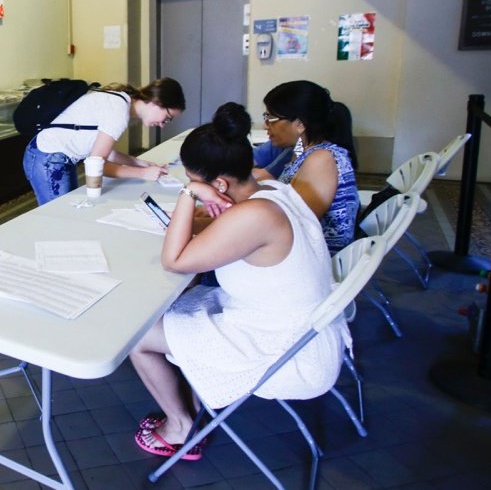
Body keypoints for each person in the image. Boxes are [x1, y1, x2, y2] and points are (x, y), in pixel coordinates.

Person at [128, 103, 349, 461]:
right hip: (302, 328)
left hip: (286, 349)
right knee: (187, 302)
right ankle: (194, 401)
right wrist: (203, 201)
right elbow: (228, 232)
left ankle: (180, 428)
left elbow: (175, 261)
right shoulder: (270, 188)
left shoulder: (255, 215)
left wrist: (188, 195)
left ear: (218, 184)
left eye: (194, 179)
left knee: (137, 334)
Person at [21, 79, 185, 205]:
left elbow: (106, 152)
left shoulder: (121, 102)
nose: (163, 125)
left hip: (49, 156)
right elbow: (98, 166)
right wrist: (143, 174)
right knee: (59, 216)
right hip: (48, 159)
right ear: (158, 103)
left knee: (66, 211)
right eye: (167, 118)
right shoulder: (119, 112)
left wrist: (142, 164)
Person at [256, 80, 359, 254]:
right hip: (299, 251)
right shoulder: (305, 152)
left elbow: (295, 222)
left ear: (300, 124)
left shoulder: (321, 159)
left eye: (271, 118)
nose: (266, 125)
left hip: (313, 259)